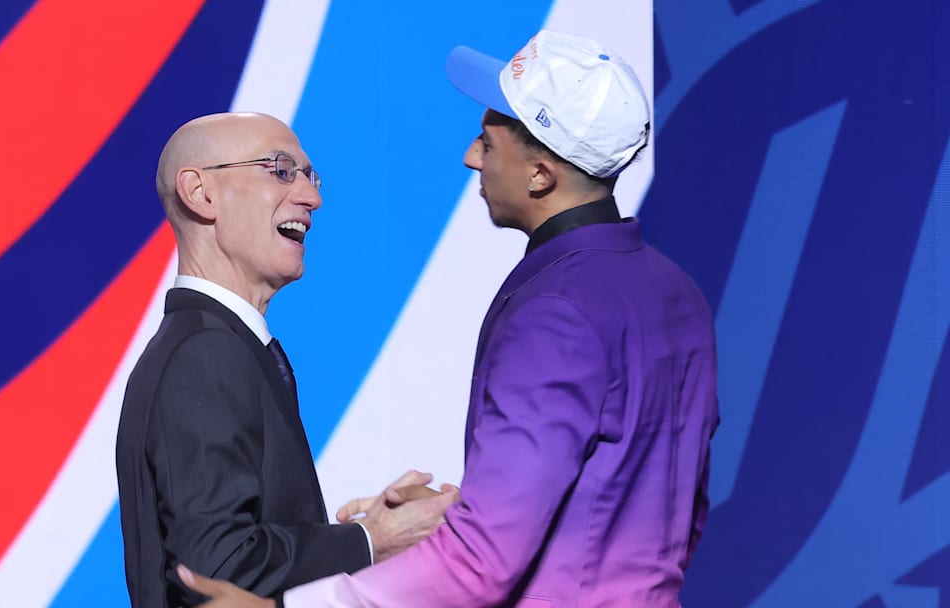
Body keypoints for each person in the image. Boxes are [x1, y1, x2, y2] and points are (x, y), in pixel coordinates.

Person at [176, 29, 720, 608]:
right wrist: (456, 515)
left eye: (488, 140)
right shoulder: (676, 291)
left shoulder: (556, 312)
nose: (470, 156)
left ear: (541, 173)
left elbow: (485, 561)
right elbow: (656, 502)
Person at [115, 112, 459, 608]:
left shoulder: (226, 346)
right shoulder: (204, 355)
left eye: (309, 176)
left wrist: (374, 534)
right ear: (200, 193)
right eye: (279, 170)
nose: (311, 197)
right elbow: (215, 568)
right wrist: (369, 539)